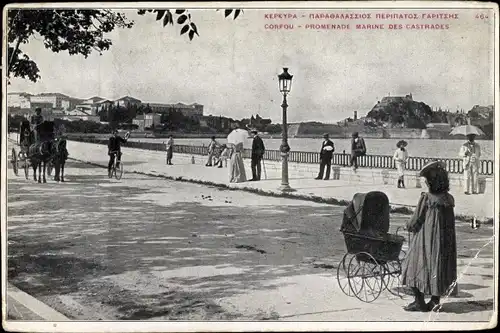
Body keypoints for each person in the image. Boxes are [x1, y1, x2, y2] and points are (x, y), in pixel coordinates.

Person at [401, 161, 457, 312]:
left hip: (427, 238)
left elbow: (416, 220)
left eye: (426, 180)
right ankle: (434, 301)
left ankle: (419, 302)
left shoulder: (427, 198)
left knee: (413, 266)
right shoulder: (448, 199)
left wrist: (408, 225)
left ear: (431, 182)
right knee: (437, 267)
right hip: (444, 241)